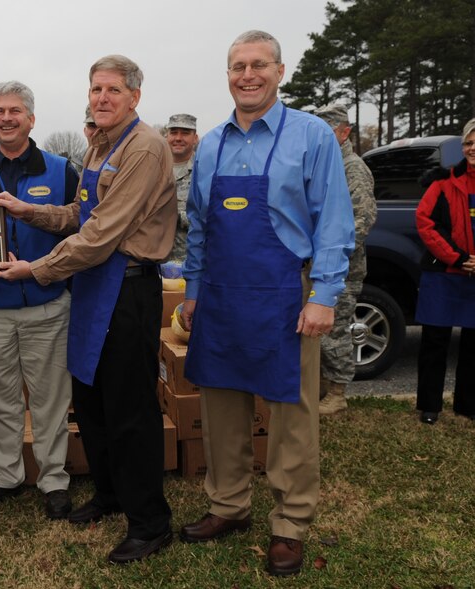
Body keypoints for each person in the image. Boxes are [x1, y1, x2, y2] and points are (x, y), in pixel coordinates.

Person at [0, 55, 177, 564]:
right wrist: (27, 210)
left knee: (130, 407)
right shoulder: (99, 144)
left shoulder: (144, 148)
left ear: (134, 96)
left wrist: (36, 269)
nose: (102, 98)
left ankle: (150, 522)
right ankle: (110, 494)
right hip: (91, 285)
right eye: (96, 89)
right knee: (92, 400)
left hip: (126, 287)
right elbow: (80, 214)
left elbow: (101, 234)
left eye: (113, 90)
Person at [179, 31, 354, 577]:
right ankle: (228, 506)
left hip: (286, 294)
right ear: (228, 75)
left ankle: (290, 522)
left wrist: (323, 295)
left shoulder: (311, 135)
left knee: (291, 414)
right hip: (220, 295)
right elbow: (200, 226)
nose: (247, 75)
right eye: (238, 66)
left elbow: (333, 221)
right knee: (221, 406)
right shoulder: (211, 143)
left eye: (258, 65)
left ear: (280, 71)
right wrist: (192, 292)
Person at [0, 81, 78, 520]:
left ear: (31, 119)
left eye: (15, 111)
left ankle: (53, 479)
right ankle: (4, 475)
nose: (6, 118)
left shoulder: (61, 170)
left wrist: (48, 273)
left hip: (48, 304)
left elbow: (79, 230)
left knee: (50, 399)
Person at [313, 104, 377, 415]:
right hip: (317, 267)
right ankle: (322, 386)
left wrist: (332, 255)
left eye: (328, 131)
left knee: (334, 331)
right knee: (317, 332)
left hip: (342, 269)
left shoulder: (352, 168)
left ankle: (337, 394)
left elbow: (362, 220)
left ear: (344, 132)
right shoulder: (322, 165)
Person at [413, 117, 475, 425]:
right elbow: (425, 223)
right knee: (434, 342)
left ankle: (467, 405)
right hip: (443, 274)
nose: (472, 148)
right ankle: (430, 406)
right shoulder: (442, 182)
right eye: (468, 143)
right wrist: (458, 257)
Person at [165, 113, 199, 261]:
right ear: (167, 136)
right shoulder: (154, 168)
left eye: (185, 133)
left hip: (190, 261)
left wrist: (172, 215)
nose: (178, 138)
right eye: (173, 133)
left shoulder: (204, 171)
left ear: (195, 138)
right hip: (154, 261)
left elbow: (209, 217)